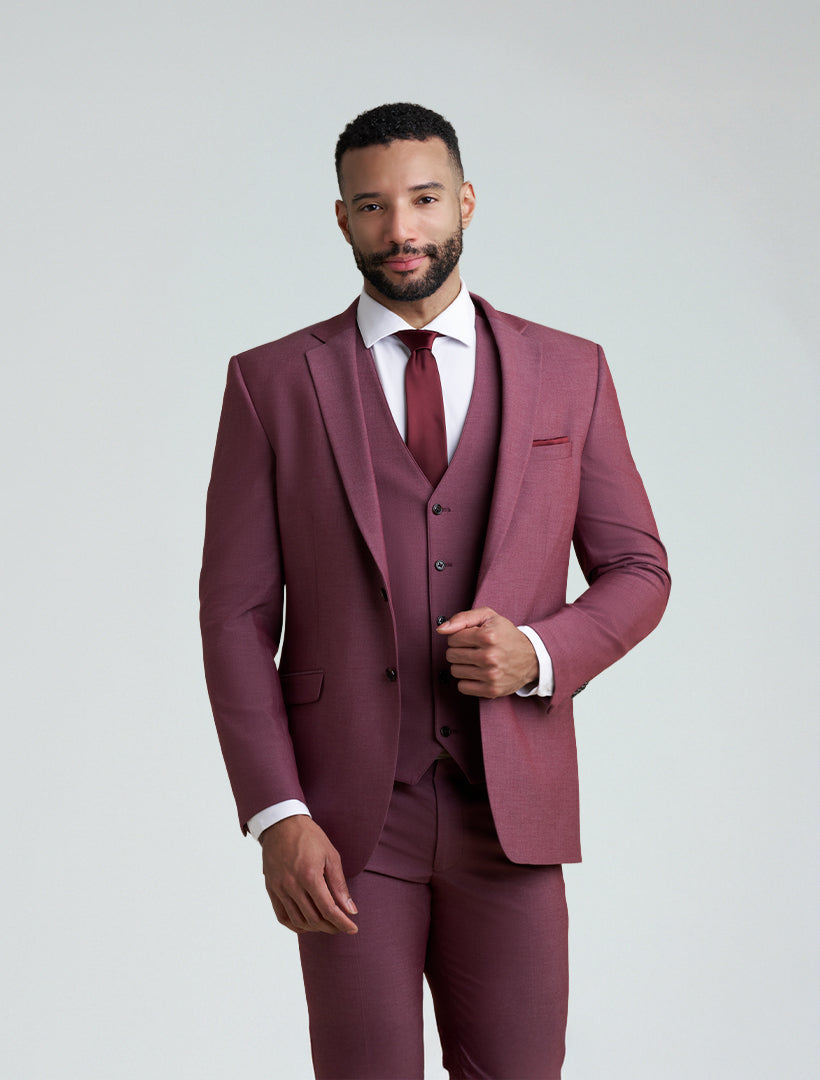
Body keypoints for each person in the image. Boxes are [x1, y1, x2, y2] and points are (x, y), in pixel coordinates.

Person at [200, 102, 670, 1079]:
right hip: (346, 823)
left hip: (512, 816)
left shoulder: (569, 370)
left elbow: (638, 570)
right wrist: (277, 815)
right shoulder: (271, 382)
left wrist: (539, 653)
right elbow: (235, 617)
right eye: (372, 206)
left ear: (465, 201)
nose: (400, 229)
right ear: (342, 218)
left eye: (422, 199)